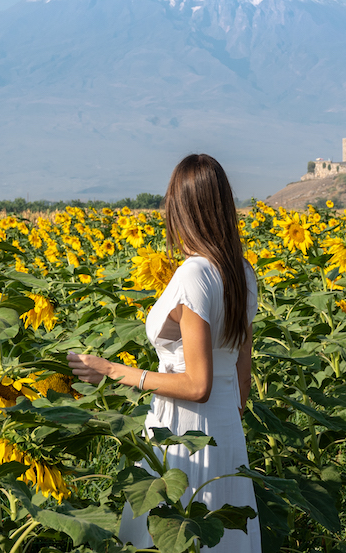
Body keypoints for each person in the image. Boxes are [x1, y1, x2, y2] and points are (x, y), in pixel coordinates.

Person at [68, 153, 261, 552]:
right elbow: (243, 374)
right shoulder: (242, 272)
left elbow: (196, 385)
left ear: (182, 209)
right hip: (226, 431)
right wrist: (226, 423)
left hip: (185, 431)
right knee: (221, 537)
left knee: (173, 533)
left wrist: (111, 370)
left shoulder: (195, 273)